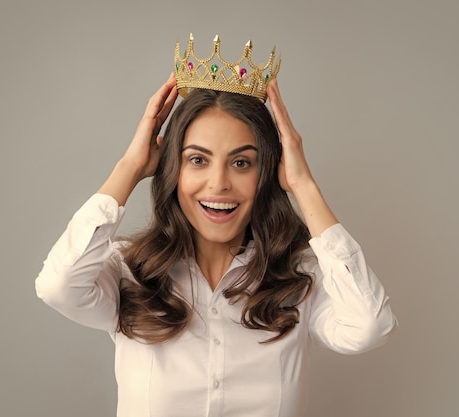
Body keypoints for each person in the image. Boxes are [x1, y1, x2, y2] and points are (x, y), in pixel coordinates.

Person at [36, 70, 396, 416]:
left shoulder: (298, 282)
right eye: (197, 160)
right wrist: (130, 166)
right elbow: (57, 287)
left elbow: (369, 326)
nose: (219, 183)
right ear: (173, 168)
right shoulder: (128, 273)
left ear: (267, 171)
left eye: (241, 163)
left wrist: (304, 186)